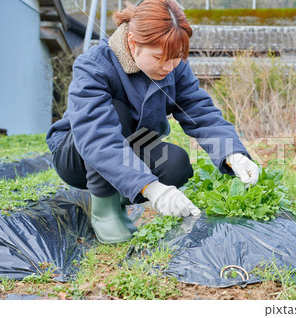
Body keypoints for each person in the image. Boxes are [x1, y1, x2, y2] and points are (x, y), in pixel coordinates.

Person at [45, 0, 259, 244]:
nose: (169, 67)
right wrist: (152, 188)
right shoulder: (94, 65)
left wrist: (232, 153)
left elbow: (198, 109)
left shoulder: (173, 67)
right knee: (116, 110)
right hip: (77, 151)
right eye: (159, 57)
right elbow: (96, 137)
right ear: (134, 44)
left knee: (176, 164)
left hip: (133, 141)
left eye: (176, 58)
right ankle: (105, 208)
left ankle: (125, 188)